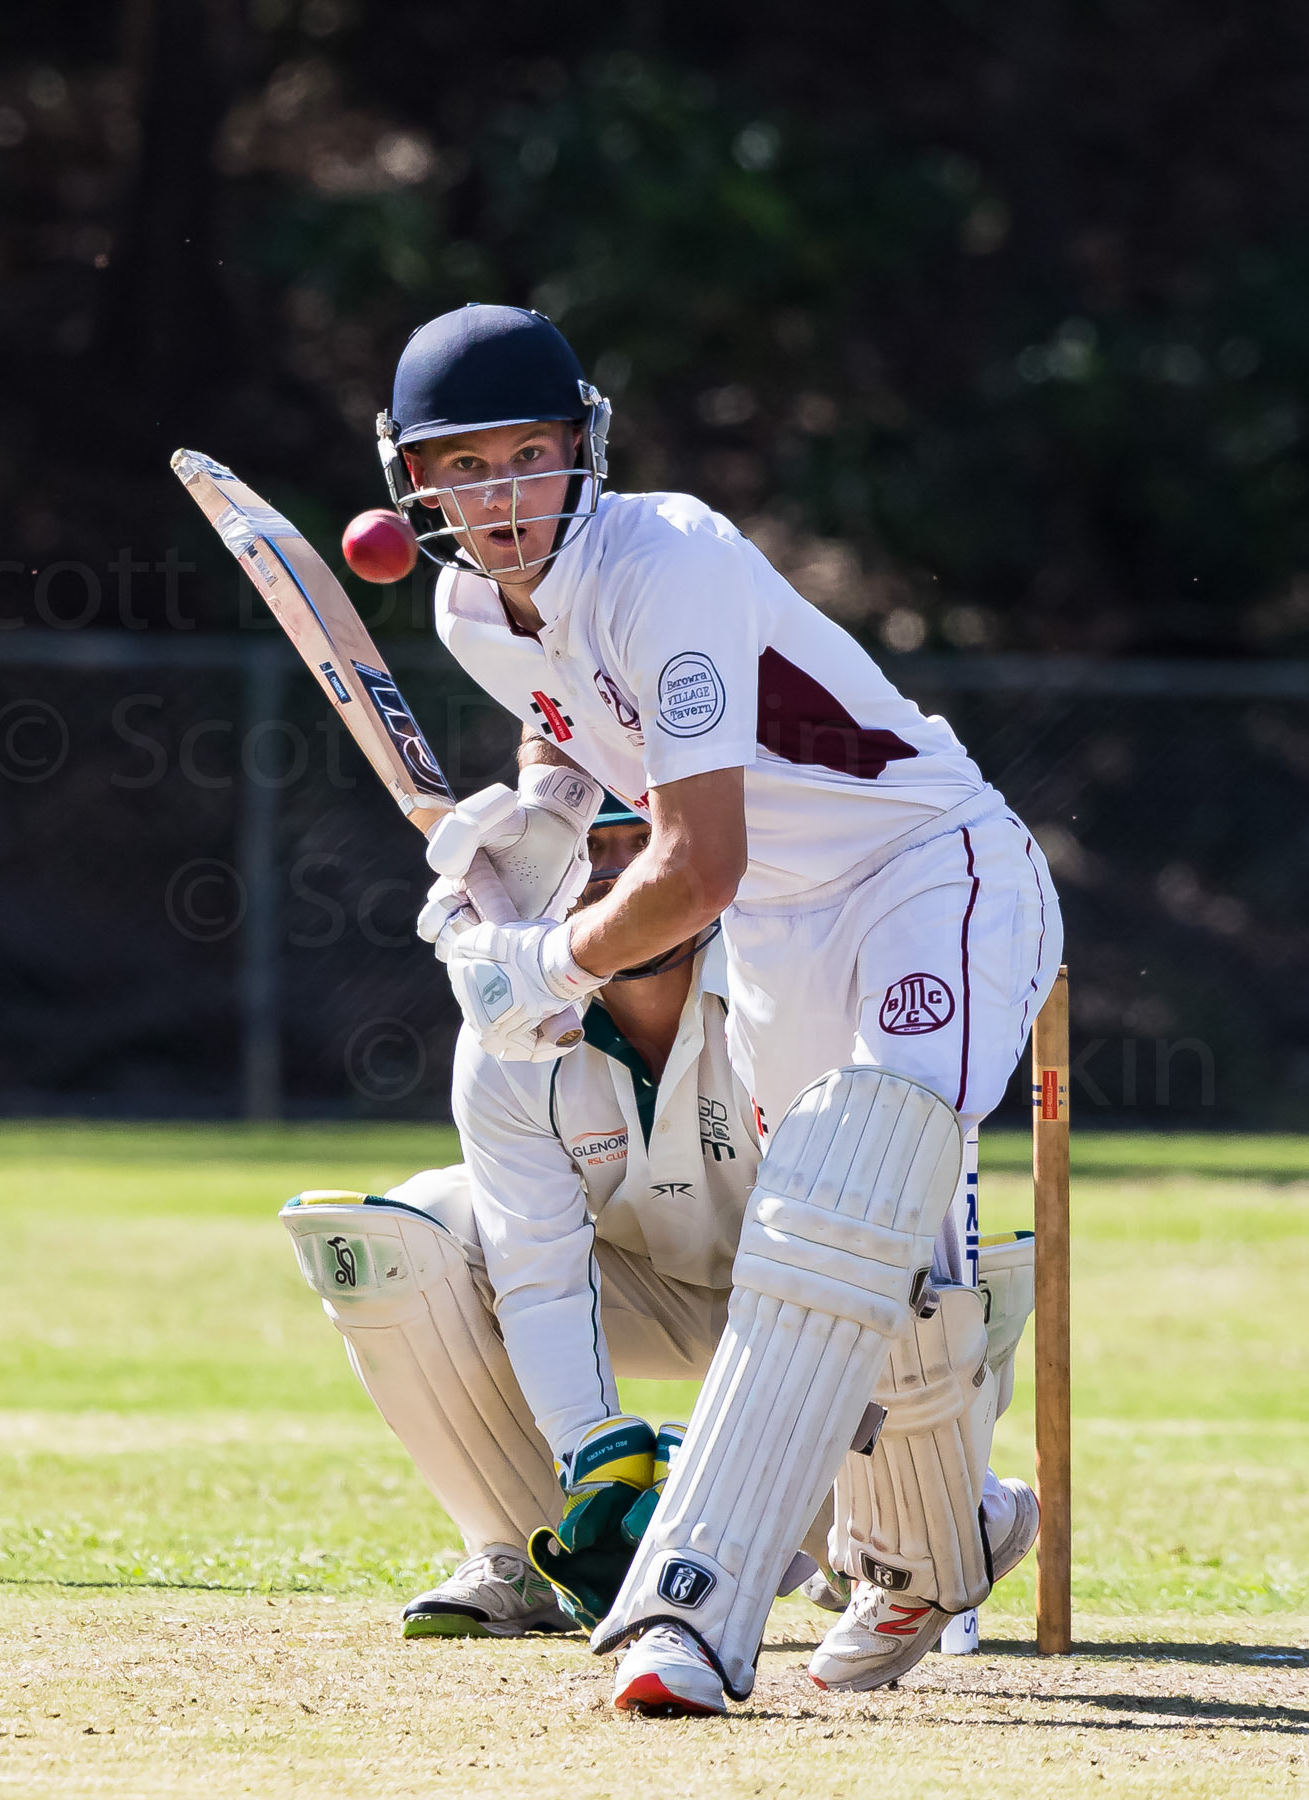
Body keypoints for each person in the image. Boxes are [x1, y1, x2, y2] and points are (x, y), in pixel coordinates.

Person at [371, 302, 1063, 1712]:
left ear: (584, 449)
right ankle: (945, 1536)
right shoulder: (467, 611)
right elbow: (575, 737)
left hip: (927, 864)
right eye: (468, 469)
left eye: (530, 456)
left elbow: (698, 865)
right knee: (871, 1249)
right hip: (785, 927)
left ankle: (689, 1609)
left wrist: (549, 966)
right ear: (416, 483)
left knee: (850, 1189)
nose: (504, 497)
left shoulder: (668, 561)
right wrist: (530, 847)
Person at [282, 802, 853, 1639]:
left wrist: (724, 1472)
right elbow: (537, 1272)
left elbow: (846, 1250)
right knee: (406, 1230)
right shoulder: (509, 1035)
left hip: (819, 1311)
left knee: (907, 1288)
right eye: (591, 847)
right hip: (641, 1291)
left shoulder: (786, 990)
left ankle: (880, 1552)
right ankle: (529, 1551)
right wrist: (595, 1460)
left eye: (645, 842)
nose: (616, 871)